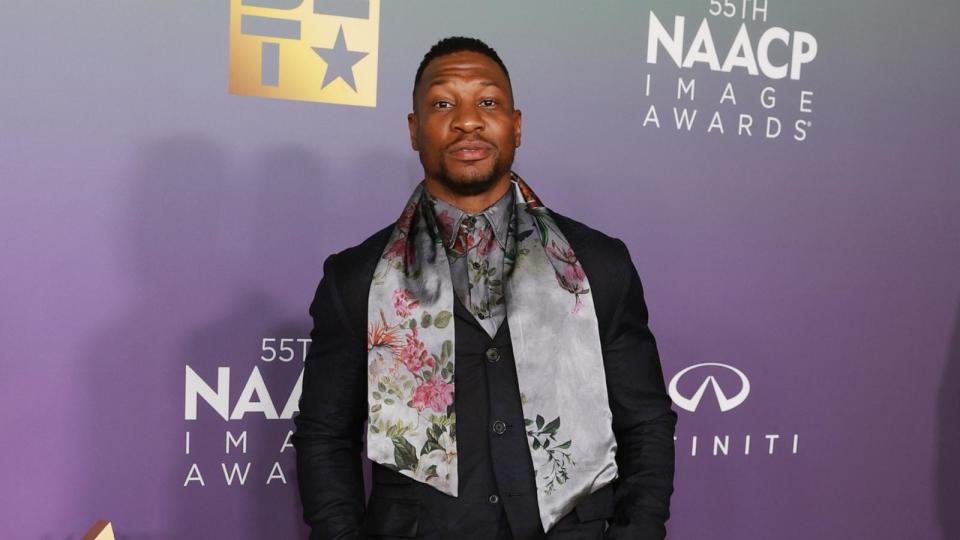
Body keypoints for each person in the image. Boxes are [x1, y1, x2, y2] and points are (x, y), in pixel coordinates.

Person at [293, 36, 676, 540]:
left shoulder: (599, 264)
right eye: (443, 103)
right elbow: (324, 437)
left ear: (516, 125)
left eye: (488, 102)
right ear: (414, 130)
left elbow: (645, 421)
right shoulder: (356, 278)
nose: (467, 120)